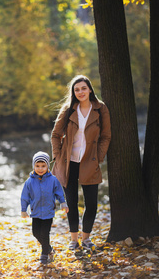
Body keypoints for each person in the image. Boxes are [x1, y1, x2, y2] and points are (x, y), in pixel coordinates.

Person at [51, 75, 111, 251]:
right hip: (68, 162)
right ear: (73, 92)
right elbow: (56, 135)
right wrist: (57, 156)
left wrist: (98, 157)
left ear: (90, 89)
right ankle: (73, 240)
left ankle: (86, 239)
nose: (80, 92)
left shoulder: (101, 109)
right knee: (71, 204)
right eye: (77, 89)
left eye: (83, 88)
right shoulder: (68, 109)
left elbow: (106, 136)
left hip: (89, 161)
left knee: (91, 203)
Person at [21, 151, 69, 265]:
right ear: (33, 166)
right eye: (37, 166)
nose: (40, 169)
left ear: (48, 166)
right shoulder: (29, 182)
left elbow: (59, 192)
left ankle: (44, 255)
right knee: (35, 232)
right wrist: (23, 209)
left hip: (48, 212)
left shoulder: (53, 180)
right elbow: (24, 197)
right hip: (35, 212)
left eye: (43, 166)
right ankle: (49, 249)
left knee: (44, 233)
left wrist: (63, 203)